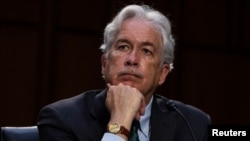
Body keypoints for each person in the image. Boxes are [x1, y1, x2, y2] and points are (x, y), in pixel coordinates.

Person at [37, 4, 211, 141]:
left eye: (146, 51)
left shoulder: (193, 124)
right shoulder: (62, 120)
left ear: (163, 73)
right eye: (123, 47)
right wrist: (120, 122)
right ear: (104, 64)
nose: (132, 59)